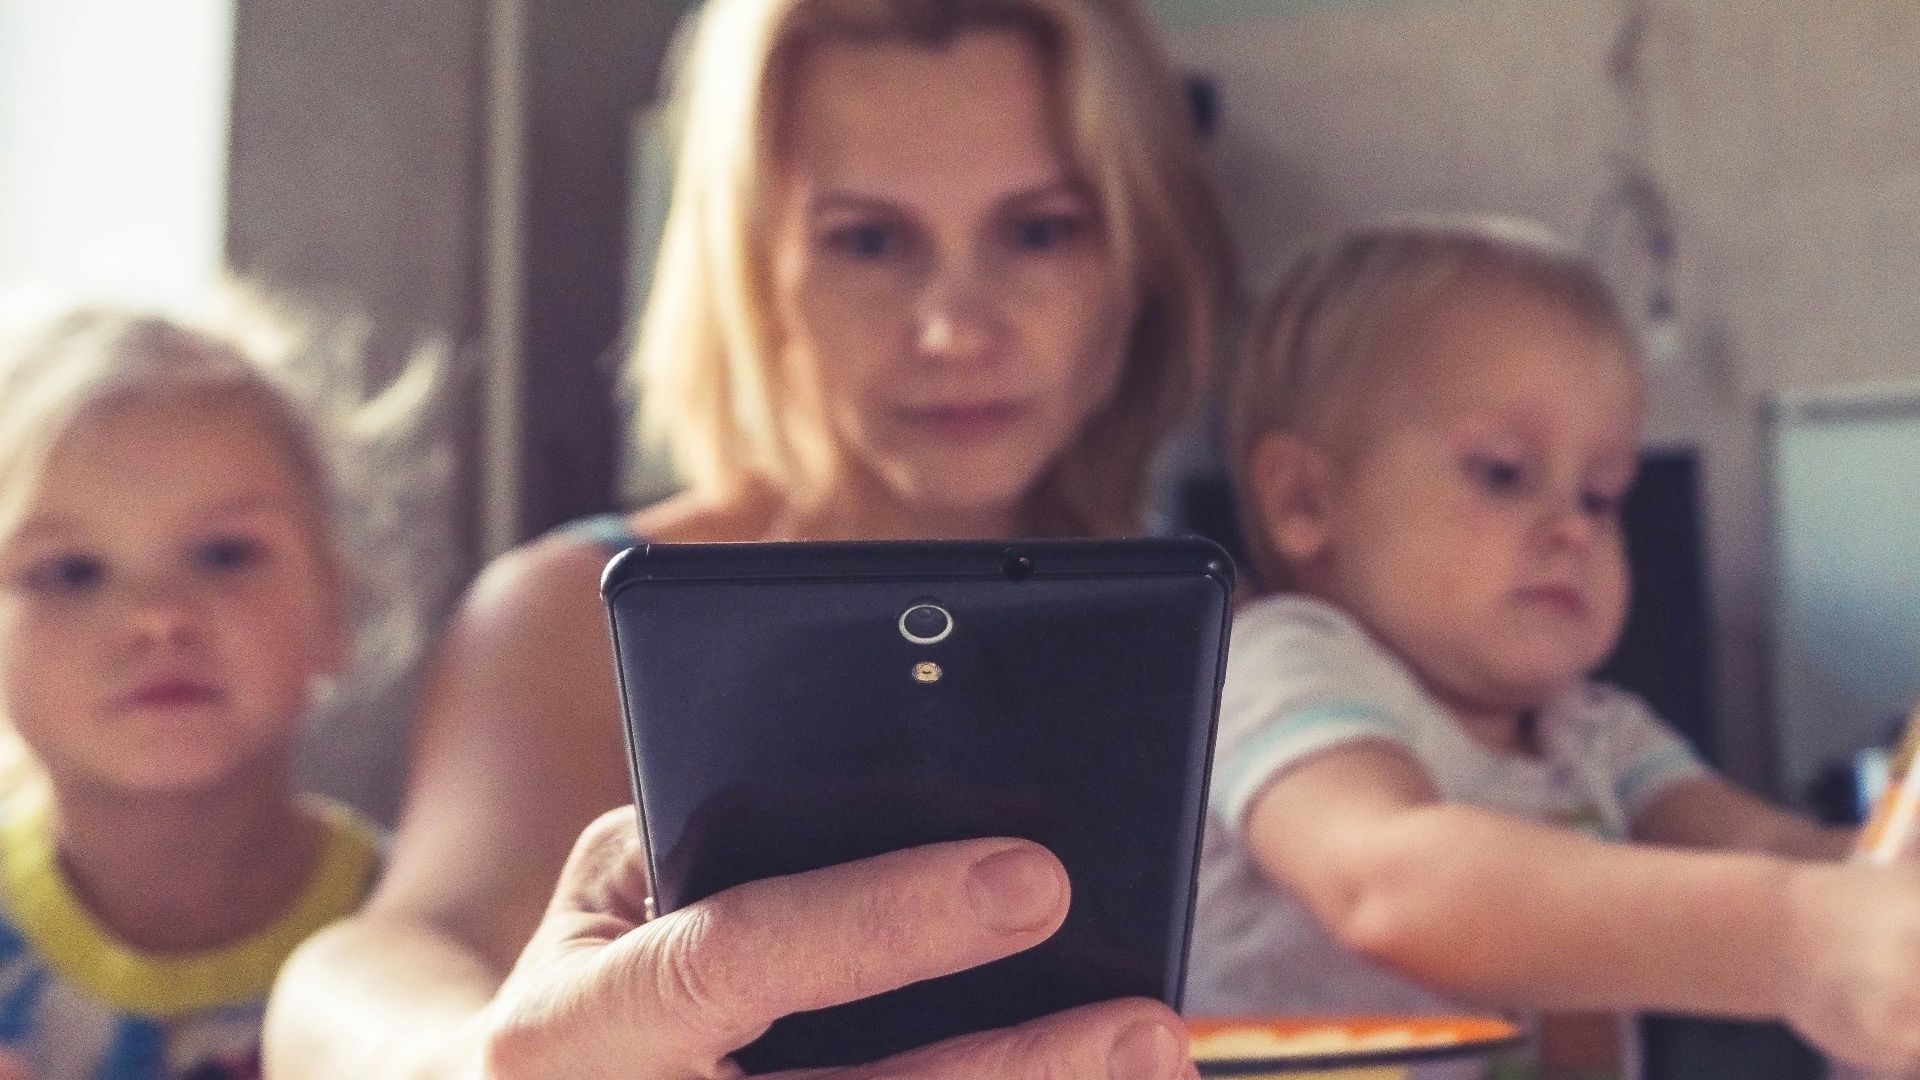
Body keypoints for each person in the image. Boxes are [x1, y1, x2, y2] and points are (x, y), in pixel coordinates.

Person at [263, 0, 1230, 1074]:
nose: (957, 327)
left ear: (1137, 255)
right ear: (751, 269)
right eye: (866, 240)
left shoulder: (1239, 633)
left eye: (1040, 228)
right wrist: (471, 1062)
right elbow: (373, 965)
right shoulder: (575, 609)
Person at [1188, 217, 1920, 1080]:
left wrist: (1875, 879)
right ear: (1305, 499)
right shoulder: (1272, 664)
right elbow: (1386, 885)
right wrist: (1795, 934)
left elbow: (1783, 856)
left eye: (1603, 493)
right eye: (1502, 471)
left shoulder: (1597, 732)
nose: (1573, 528)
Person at [0, 301, 394, 1077]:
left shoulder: (421, 928)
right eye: (71, 571)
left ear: (334, 605)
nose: (158, 619)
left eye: (223, 554)